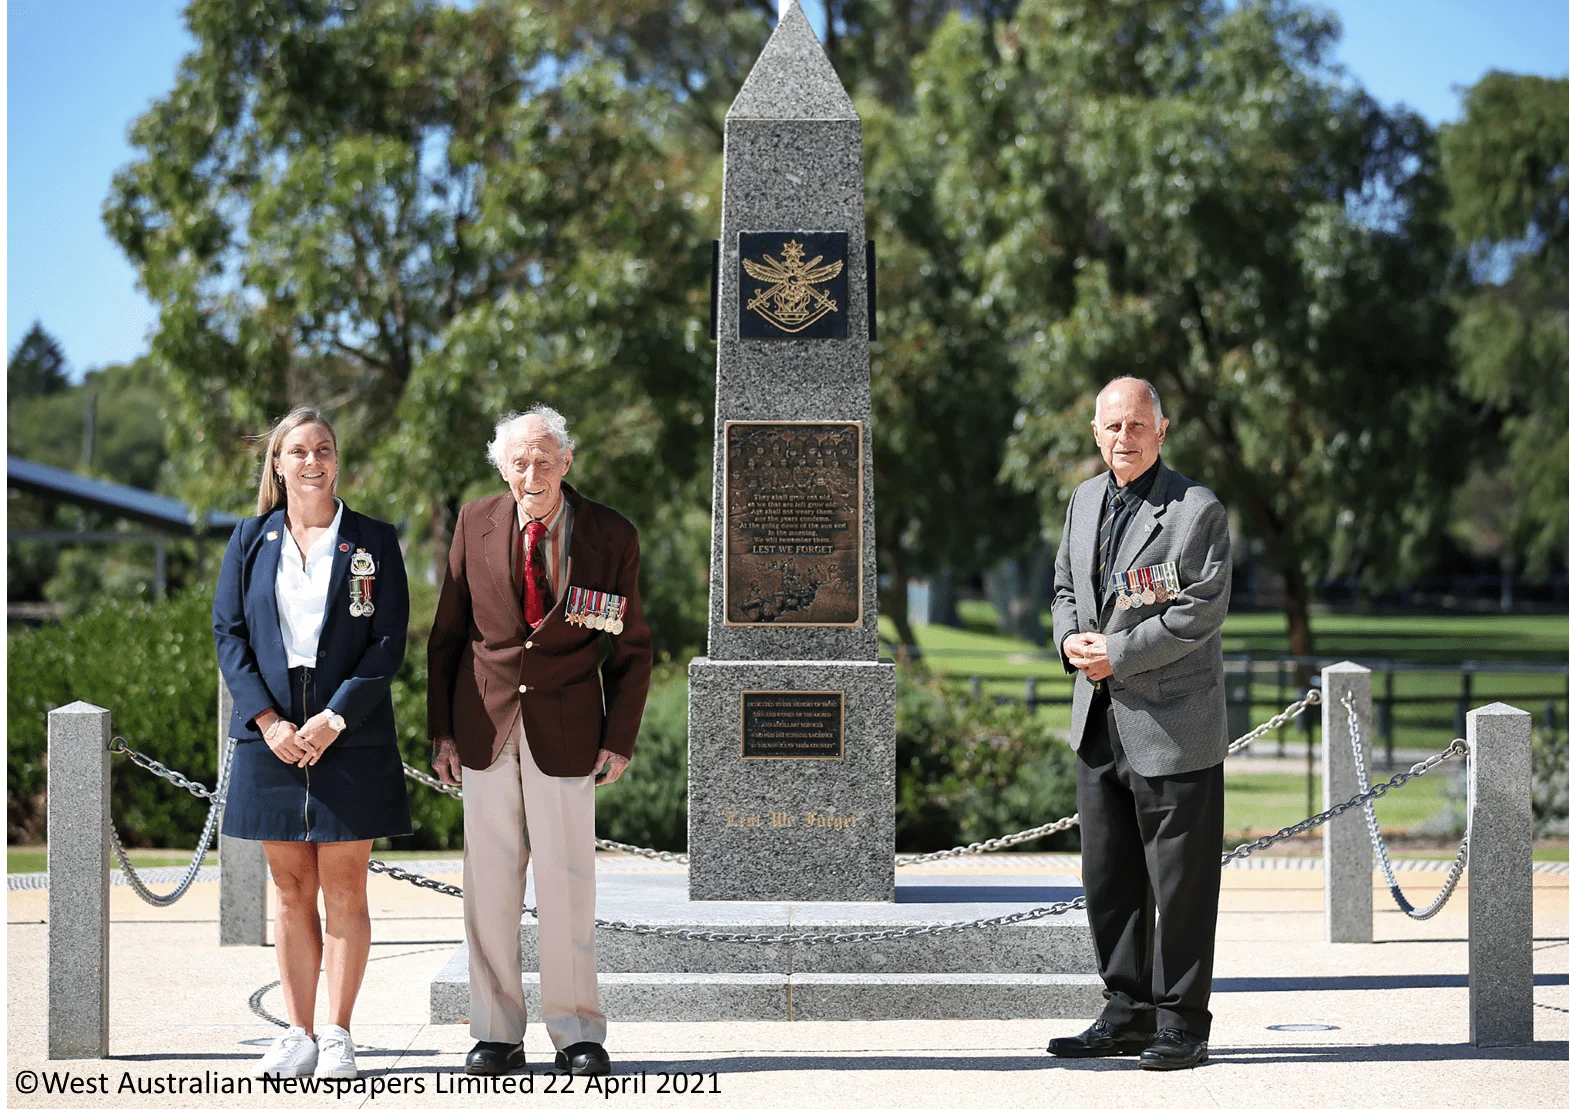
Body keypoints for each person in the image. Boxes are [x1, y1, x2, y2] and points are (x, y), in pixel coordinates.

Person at [427, 405, 652, 1078]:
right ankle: (496, 1032)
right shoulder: (474, 521)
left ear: (568, 462)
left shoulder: (610, 534)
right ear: (502, 465)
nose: (533, 473)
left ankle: (576, 1031)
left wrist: (620, 736)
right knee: (488, 885)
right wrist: (441, 728)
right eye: (520, 461)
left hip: (570, 727)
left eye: (545, 460)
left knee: (568, 885)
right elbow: (448, 637)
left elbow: (632, 648)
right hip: (484, 726)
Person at [213, 407, 412, 1080]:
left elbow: (388, 643)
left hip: (347, 731)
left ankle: (337, 1034)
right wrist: (267, 720)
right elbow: (229, 636)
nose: (311, 460)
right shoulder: (247, 540)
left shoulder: (374, 540)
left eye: (323, 448)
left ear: (336, 458)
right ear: (277, 463)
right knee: (291, 888)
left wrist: (335, 717)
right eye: (297, 450)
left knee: (346, 888)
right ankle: (296, 1032)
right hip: (271, 734)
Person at [1045, 377, 1231, 1071]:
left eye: (1137, 425)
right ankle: (1126, 1011)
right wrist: (1070, 640)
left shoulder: (1195, 510)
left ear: (1163, 429)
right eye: (1113, 426)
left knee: (1181, 883)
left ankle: (1183, 1023)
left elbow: (1199, 609)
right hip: (1098, 720)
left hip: (1173, 723)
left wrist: (1113, 653)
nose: (1125, 437)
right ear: (1096, 433)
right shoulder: (1083, 500)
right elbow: (1066, 586)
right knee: (1110, 874)